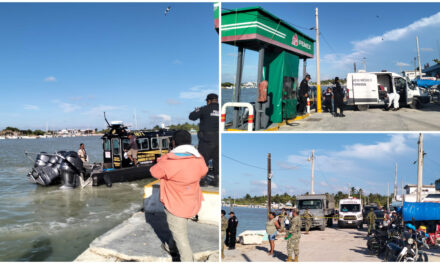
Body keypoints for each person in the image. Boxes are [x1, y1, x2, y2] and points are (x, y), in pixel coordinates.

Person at [150, 130, 208, 262]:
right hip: (192, 202)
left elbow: (154, 172)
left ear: (173, 143)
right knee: (178, 230)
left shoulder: (169, 161)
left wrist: (165, 156)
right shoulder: (199, 159)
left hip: (175, 205)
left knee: (182, 239)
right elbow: (204, 172)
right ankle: (170, 246)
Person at [189, 93, 219, 186]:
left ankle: (203, 180)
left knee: (202, 160)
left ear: (208, 101)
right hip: (218, 138)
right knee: (217, 160)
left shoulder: (204, 109)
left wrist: (197, 110)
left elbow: (191, 117)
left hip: (206, 139)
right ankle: (217, 180)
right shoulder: (222, 108)